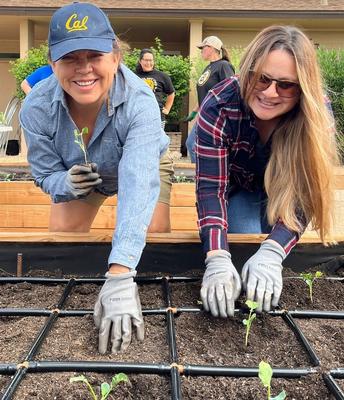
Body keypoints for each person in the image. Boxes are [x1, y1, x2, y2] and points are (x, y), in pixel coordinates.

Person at [19, 2, 173, 353]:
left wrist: (119, 274)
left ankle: (128, 293)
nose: (84, 69)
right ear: (52, 63)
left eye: (94, 55)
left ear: (115, 57)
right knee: (63, 237)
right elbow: (44, 174)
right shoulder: (37, 109)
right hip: (84, 175)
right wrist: (67, 183)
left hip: (145, 165)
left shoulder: (140, 101)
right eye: (70, 58)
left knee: (155, 240)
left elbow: (137, 181)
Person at [196, 25, 339, 317]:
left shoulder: (316, 116)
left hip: (280, 186)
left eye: (286, 85)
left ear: (303, 87)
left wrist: (274, 251)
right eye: (262, 78)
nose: (270, 93)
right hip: (235, 181)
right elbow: (211, 190)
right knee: (245, 246)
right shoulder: (220, 104)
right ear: (248, 70)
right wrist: (217, 255)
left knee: (266, 255)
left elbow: (304, 195)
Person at [185, 36, 235, 162]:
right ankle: (202, 176)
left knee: (193, 145)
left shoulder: (224, 66)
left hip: (216, 117)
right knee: (192, 145)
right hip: (204, 115)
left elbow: (231, 90)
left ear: (212, 48)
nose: (201, 50)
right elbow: (205, 93)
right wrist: (194, 112)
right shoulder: (208, 68)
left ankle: (206, 176)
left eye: (203, 48)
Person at [135, 49, 175, 130]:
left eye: (151, 60)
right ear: (140, 61)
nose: (148, 63)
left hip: (157, 117)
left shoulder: (163, 76)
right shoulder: (133, 76)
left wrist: (167, 109)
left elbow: (171, 93)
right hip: (137, 117)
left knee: (157, 141)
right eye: (146, 60)